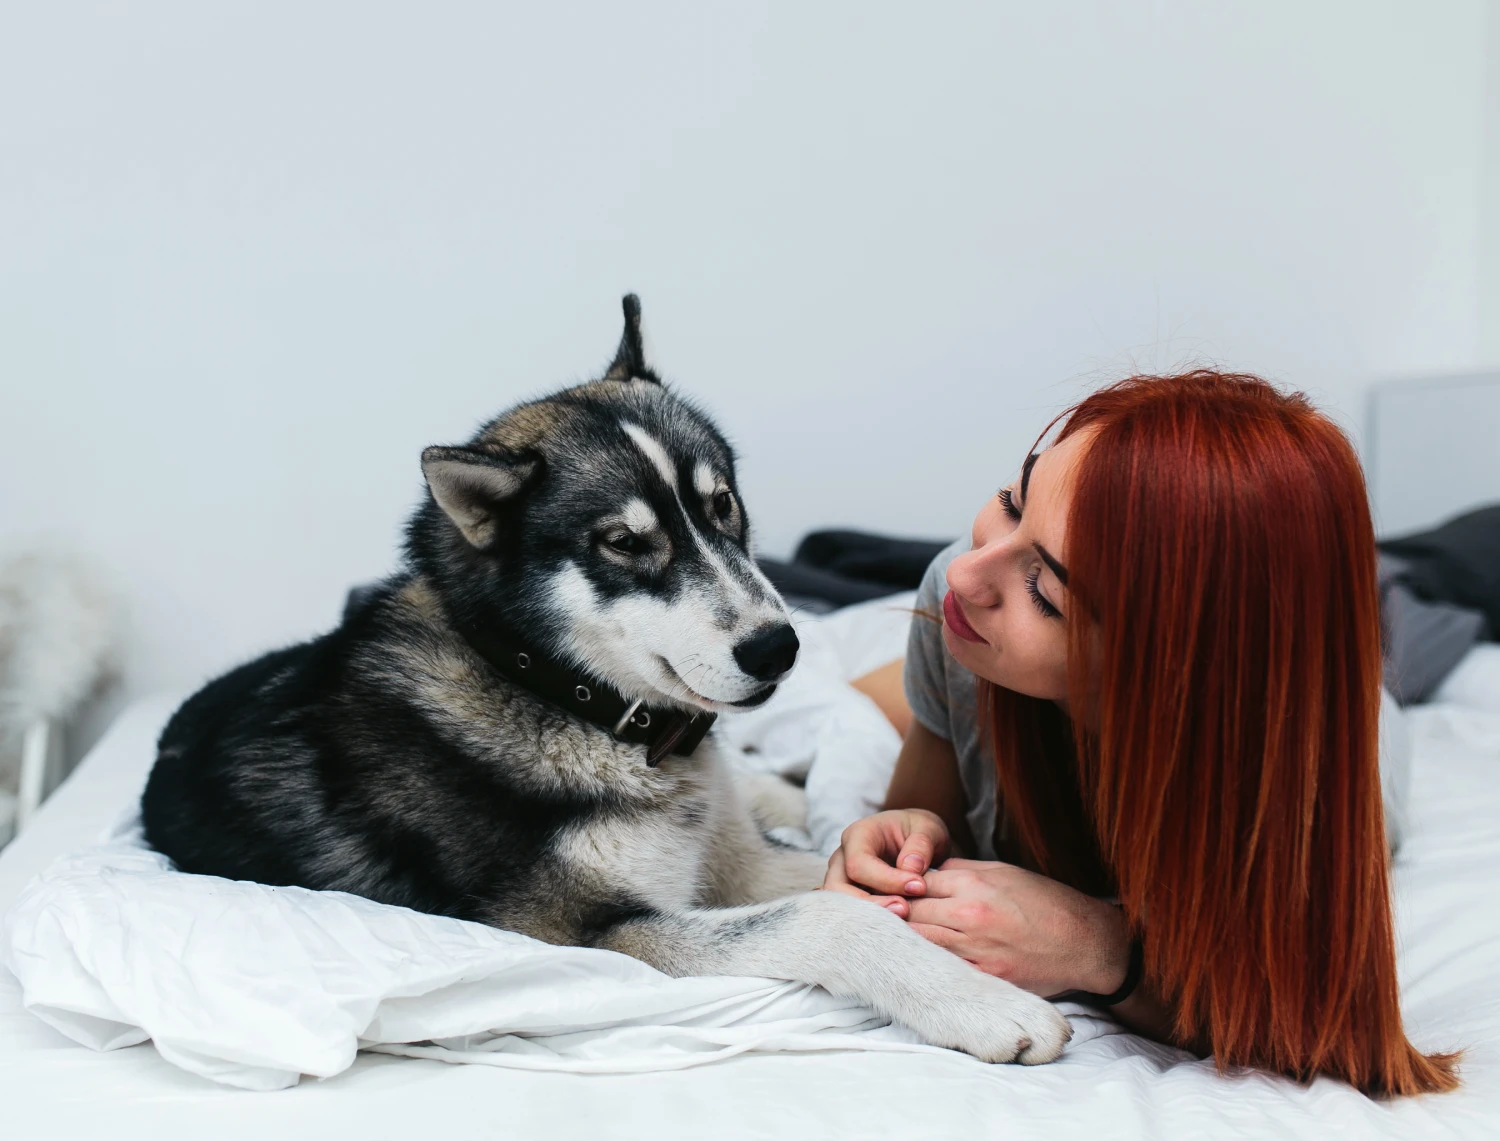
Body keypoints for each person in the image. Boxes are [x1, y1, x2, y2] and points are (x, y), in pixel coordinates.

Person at [823, 371, 1458, 1097]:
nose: (967, 573)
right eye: (1011, 501)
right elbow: (927, 823)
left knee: (1423, 609)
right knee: (852, 695)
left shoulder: (1300, 773)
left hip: (1353, 716)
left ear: (1169, 672)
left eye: (1044, 591)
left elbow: (1321, 1025)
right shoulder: (954, 594)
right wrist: (901, 838)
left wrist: (1098, 947)